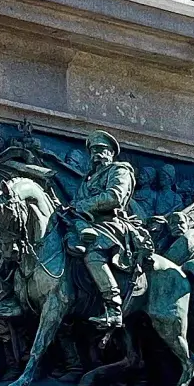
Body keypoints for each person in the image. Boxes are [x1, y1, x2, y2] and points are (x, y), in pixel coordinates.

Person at [63, 130, 142, 327]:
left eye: (101, 150)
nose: (96, 154)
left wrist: (84, 205)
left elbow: (115, 197)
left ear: (111, 153)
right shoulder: (88, 178)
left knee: (93, 252)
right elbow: (79, 201)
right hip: (85, 223)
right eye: (93, 151)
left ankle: (113, 307)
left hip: (110, 224)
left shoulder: (120, 170)